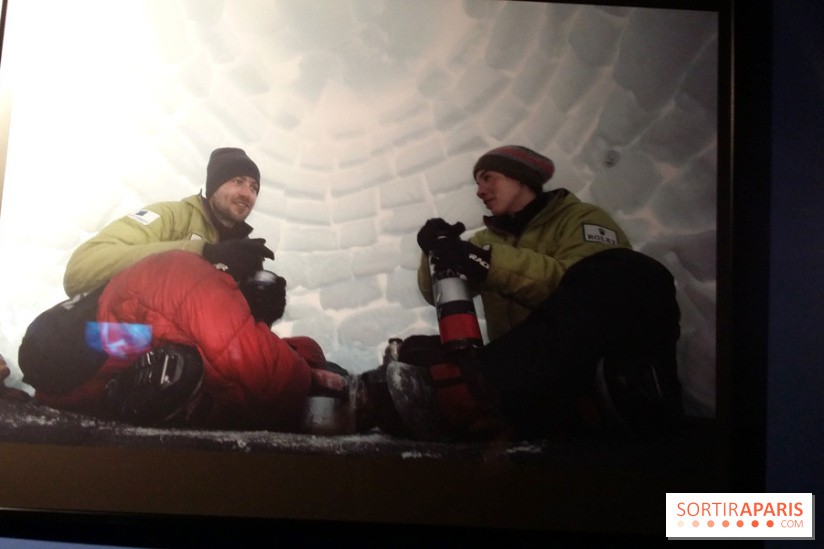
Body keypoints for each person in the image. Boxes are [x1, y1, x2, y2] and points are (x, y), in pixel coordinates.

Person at [18, 148, 352, 431]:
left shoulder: (241, 253)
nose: (247, 193)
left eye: (253, 187)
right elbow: (80, 269)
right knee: (183, 276)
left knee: (269, 355)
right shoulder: (170, 216)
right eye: (237, 181)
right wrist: (201, 252)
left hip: (150, 351)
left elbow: (226, 339)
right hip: (99, 334)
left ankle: (310, 375)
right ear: (213, 184)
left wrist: (258, 307)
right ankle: (304, 385)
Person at [408, 145, 683, 440]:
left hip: (582, 371)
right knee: (414, 352)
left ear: (520, 178)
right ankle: (464, 395)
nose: (480, 191)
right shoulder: (486, 240)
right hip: (517, 378)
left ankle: (479, 395)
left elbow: (591, 294)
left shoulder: (581, 219)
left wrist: (489, 262)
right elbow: (432, 294)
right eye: (478, 182)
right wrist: (434, 251)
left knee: (631, 268)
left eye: (488, 178)